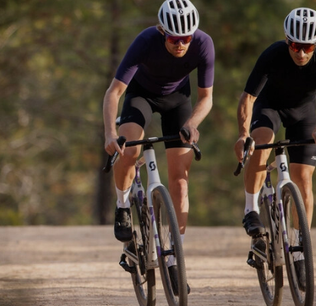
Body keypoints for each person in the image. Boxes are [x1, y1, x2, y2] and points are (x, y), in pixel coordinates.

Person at [103, 0, 214, 293]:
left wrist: (192, 123)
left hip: (178, 100)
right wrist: (109, 133)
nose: (181, 44)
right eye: (174, 39)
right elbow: (114, 92)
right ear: (161, 31)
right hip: (141, 96)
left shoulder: (203, 44)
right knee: (129, 149)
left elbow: (206, 98)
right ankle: (123, 204)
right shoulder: (145, 41)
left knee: (180, 181)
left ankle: (175, 257)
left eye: (186, 39)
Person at [233, 7, 316, 289]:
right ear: (286, 40)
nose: (301, 53)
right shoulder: (272, 54)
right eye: (294, 45)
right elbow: (247, 98)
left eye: (307, 47)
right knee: (261, 143)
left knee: (303, 177)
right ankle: (250, 209)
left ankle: (299, 244)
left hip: (304, 114)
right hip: (270, 108)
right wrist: (244, 134)